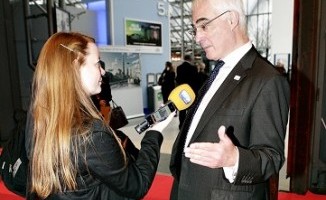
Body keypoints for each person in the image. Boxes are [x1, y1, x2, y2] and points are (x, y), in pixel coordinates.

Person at [26, 32, 175, 200]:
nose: (103, 71)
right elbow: (137, 184)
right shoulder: (92, 132)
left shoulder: (39, 116)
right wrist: (155, 132)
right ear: (75, 67)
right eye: (97, 64)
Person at [169, 0, 290, 199]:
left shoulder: (267, 80)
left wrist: (235, 159)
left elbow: (272, 157)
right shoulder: (217, 73)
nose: (198, 37)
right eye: (195, 29)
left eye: (204, 25)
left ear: (231, 19)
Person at [175, 55, 200, 129]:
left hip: (182, 91)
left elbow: (177, 79)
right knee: (191, 108)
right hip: (191, 91)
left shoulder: (179, 68)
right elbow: (196, 80)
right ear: (190, 59)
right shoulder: (193, 68)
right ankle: (189, 124)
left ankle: (181, 125)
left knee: (182, 108)